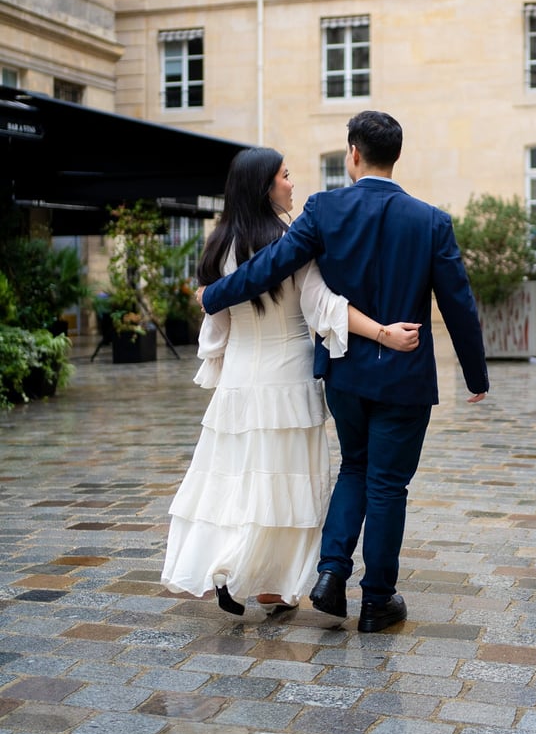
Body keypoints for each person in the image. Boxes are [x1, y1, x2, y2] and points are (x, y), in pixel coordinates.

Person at [198, 111, 489, 633]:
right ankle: (377, 601)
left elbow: (271, 265)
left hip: (347, 374)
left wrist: (213, 296)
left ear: (353, 153)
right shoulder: (431, 221)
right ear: (395, 156)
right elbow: (459, 304)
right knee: (389, 486)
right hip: (405, 376)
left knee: (355, 468)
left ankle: (331, 575)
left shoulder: (324, 209)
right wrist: (476, 375)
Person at [161, 146, 419, 619]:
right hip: (287, 377)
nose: (292, 182)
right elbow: (323, 306)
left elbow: (216, 327)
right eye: (284, 175)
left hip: (239, 378)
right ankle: (269, 585)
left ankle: (230, 568)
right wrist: (383, 333)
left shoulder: (218, 245)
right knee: (282, 483)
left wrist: (219, 359)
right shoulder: (291, 241)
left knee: (238, 478)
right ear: (264, 187)